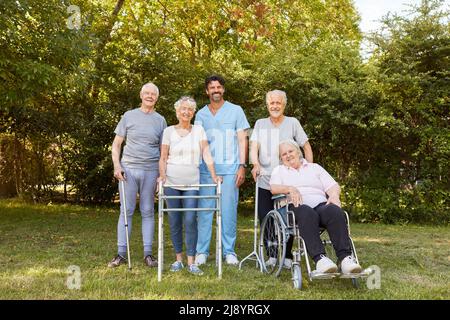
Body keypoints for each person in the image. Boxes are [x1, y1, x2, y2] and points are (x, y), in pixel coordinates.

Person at [269, 140, 363, 274]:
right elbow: (273, 188)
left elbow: (332, 186)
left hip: (320, 205)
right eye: (284, 154)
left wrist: (334, 195)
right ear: (281, 158)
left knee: (334, 211)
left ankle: (345, 259)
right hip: (295, 206)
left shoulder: (315, 167)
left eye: (290, 151)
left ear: (298, 152)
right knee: (307, 212)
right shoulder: (279, 170)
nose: (288, 155)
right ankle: (320, 259)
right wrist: (290, 188)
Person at [158, 96, 222, 276]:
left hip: (192, 183)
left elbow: (206, 153)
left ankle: (191, 261)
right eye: (182, 109)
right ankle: (178, 259)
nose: (186, 112)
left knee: (190, 220)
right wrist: (162, 177)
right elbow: (163, 157)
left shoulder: (199, 130)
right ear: (177, 111)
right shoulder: (169, 131)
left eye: (189, 109)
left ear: (193, 113)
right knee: (174, 221)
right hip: (171, 182)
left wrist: (214, 175)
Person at [250, 90, 313, 269]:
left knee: (289, 217)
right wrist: (255, 164)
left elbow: (306, 146)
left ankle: (285, 256)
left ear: (283, 105)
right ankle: (271, 255)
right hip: (265, 179)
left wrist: (308, 169)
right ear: (267, 105)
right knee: (265, 217)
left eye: (278, 103)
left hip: (287, 180)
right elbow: (254, 147)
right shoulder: (260, 124)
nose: (275, 106)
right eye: (272, 103)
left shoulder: (293, 123)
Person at [108, 82, 167, 268]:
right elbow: (116, 144)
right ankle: (121, 254)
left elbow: (163, 151)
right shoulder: (129, 116)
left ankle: (148, 254)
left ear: (157, 97)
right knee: (126, 211)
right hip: (129, 170)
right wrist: (117, 166)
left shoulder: (161, 120)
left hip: (151, 170)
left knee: (148, 211)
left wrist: (161, 174)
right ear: (141, 95)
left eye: (153, 94)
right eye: (147, 93)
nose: (150, 96)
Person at [194, 75, 250, 266]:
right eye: (212, 87)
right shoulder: (200, 114)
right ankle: (201, 251)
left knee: (228, 211)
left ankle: (229, 251)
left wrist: (242, 166)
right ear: (207, 91)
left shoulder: (236, 111)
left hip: (230, 169)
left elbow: (243, 139)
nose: (215, 90)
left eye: (219, 87)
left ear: (223, 90)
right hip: (206, 170)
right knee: (204, 211)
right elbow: (199, 144)